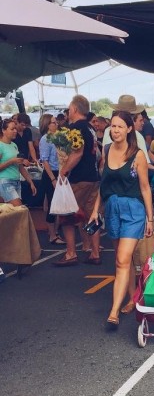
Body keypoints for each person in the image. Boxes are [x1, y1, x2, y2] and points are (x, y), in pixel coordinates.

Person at [89, 110, 154, 329]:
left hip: (133, 210)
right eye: (113, 126)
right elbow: (103, 185)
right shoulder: (106, 150)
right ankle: (132, 298)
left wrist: (150, 218)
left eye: (119, 126)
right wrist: (95, 210)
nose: (115, 130)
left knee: (123, 259)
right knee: (121, 260)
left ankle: (113, 312)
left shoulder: (138, 155)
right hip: (112, 209)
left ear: (129, 129)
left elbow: (145, 188)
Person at [54, 94, 101, 267]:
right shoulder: (90, 128)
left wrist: (63, 171)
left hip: (79, 178)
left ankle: (70, 253)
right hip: (93, 177)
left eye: (69, 108)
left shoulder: (76, 128)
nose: (68, 112)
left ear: (74, 109)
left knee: (67, 216)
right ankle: (95, 253)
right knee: (91, 216)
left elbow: (77, 153)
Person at [38, 114, 64, 244]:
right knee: (52, 204)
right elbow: (45, 161)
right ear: (47, 125)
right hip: (51, 174)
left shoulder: (58, 137)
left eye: (56, 122)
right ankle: (52, 235)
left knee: (58, 204)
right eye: (53, 122)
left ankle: (55, 231)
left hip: (59, 171)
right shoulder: (45, 139)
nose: (56, 124)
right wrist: (53, 179)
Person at [0, 118, 36, 207]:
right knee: (20, 209)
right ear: (3, 130)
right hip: (5, 181)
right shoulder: (1, 146)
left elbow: (20, 167)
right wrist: (11, 161)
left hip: (16, 182)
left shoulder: (14, 145)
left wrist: (30, 182)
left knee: (12, 212)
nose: (15, 131)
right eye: (12, 129)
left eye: (15, 128)